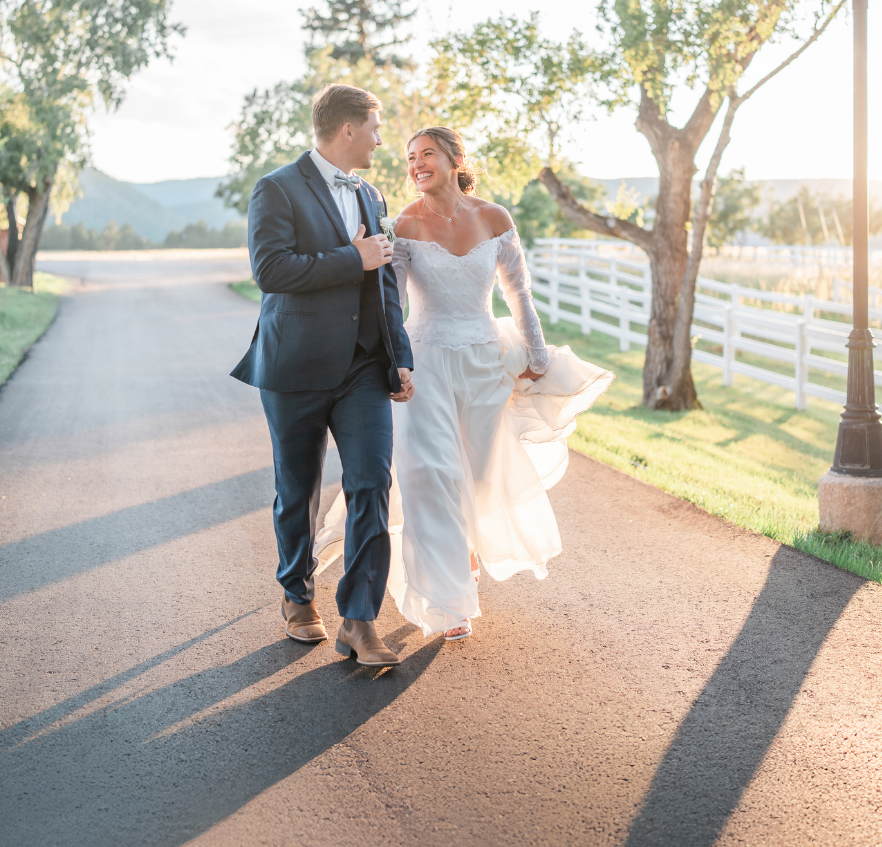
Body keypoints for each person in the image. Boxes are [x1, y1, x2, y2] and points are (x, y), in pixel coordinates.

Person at [313, 126, 613, 641]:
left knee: (476, 476)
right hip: (424, 362)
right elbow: (392, 303)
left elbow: (518, 292)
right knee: (431, 475)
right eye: (410, 157)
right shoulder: (402, 222)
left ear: (454, 160)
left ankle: (466, 551)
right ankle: (451, 604)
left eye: (427, 153)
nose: (416, 163)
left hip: (485, 360)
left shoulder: (494, 217)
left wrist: (536, 354)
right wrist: (392, 362)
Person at [231, 83, 414, 668]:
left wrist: (399, 355)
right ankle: (297, 594)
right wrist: (348, 259)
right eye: (376, 129)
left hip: (363, 367)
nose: (382, 140)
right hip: (296, 365)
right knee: (299, 488)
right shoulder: (276, 188)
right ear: (348, 130)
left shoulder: (371, 193)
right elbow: (271, 270)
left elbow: (383, 280)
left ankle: (359, 620)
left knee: (370, 483)